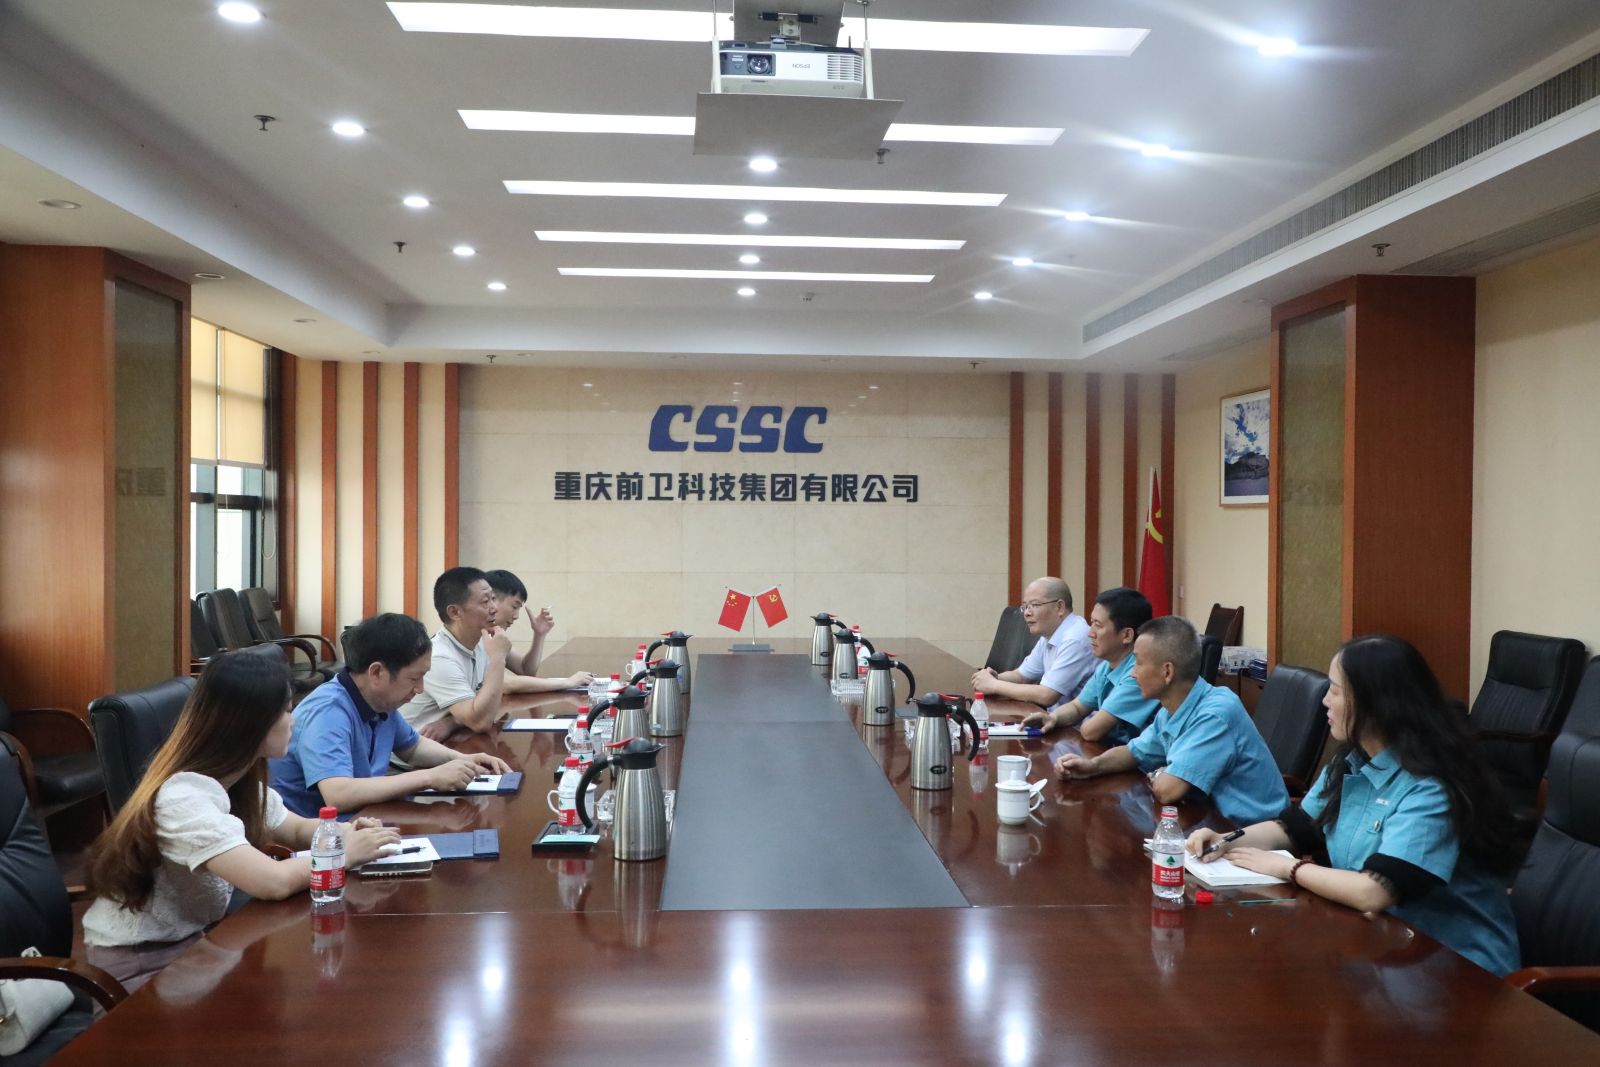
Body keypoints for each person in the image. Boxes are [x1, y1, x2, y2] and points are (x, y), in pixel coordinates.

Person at [1187, 634, 1520, 976]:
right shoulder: (1352, 761)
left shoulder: (1431, 786)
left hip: (1457, 967)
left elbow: (1375, 892)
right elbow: (1295, 828)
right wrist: (1226, 841)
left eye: (1335, 690)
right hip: (1383, 948)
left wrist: (1288, 868)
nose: (1325, 701)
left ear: (1376, 702)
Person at [83, 652, 402, 989]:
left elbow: (295, 829)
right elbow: (273, 881)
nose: (293, 720)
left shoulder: (236, 781)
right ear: (251, 723)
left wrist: (345, 832)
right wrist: (344, 854)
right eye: (286, 710)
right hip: (142, 964)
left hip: (195, 945)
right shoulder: (183, 800)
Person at [270, 612, 510, 817]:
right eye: (414, 678)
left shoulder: (379, 701)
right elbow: (338, 795)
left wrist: (463, 760)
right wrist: (429, 778)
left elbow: (412, 747)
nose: (420, 688)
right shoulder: (328, 712)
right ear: (376, 672)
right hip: (319, 839)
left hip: (366, 819)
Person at [1055, 616, 1288, 825]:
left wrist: (1159, 774)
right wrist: (1092, 767)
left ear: (1167, 672)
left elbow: (1168, 791)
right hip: (1206, 824)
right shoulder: (1173, 707)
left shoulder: (1215, 713)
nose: (1133, 673)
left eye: (1138, 663)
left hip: (1250, 836)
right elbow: (1134, 752)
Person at [1021, 587, 1159, 744]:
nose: (1090, 633)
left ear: (1126, 635)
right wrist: (1053, 718)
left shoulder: (1139, 673)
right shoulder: (1107, 665)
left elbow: (1091, 731)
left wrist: (1082, 724)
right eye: (1091, 623)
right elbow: (1077, 707)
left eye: (1098, 625)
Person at [400, 566, 512, 738]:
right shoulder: (439, 657)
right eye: (485, 601)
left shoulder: (481, 642)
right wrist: (498, 658)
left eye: (493, 599)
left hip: (450, 740)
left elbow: (486, 704)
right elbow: (481, 722)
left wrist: (451, 723)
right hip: (411, 752)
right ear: (454, 612)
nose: (494, 608)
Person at [971, 576, 1094, 712]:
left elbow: (1047, 695)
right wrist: (995, 677)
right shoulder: (1049, 634)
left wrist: (994, 685)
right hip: (1055, 719)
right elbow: (1022, 676)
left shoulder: (1075, 639)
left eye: (1035, 605)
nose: (1027, 613)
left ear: (1059, 607)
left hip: (1078, 724)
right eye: (1025, 607)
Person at [484, 568, 594, 694]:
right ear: (492, 600)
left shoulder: (492, 635)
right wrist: (568, 682)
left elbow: (525, 670)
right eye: (514, 606)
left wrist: (539, 635)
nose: (516, 616)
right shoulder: (478, 636)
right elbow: (504, 683)